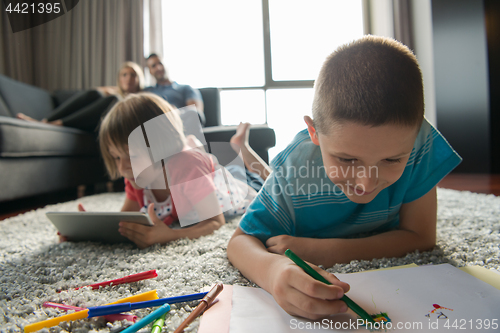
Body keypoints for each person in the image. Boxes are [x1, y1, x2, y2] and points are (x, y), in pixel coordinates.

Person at [226, 36, 462, 320]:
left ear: (415, 136)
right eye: (347, 160)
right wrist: (272, 271)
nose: (366, 184)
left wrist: (323, 251)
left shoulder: (420, 144)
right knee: (255, 179)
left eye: (391, 160)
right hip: (282, 182)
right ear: (314, 133)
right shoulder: (293, 172)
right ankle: (242, 150)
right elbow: (240, 242)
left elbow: (421, 237)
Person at [74, 92, 268, 248]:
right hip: (203, 174)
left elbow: (215, 222)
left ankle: (243, 148)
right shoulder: (135, 175)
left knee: (271, 183)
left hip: (234, 186)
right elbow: (125, 223)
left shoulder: (186, 168)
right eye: (116, 157)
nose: (122, 167)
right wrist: (86, 230)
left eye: (132, 156)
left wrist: (171, 235)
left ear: (161, 147)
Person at [16, 61, 144, 132]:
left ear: (139, 79)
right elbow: (96, 90)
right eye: (124, 75)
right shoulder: (115, 93)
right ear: (119, 79)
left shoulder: (142, 98)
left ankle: (56, 124)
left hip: (112, 125)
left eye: (133, 75)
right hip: (93, 122)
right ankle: (44, 122)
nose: (128, 78)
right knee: (95, 94)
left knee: (115, 100)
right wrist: (114, 89)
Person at [144, 53, 205, 125]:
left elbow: (196, 114)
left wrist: (176, 112)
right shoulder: (147, 92)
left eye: (160, 63)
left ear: (166, 65)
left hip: (180, 124)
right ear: (150, 71)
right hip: (156, 126)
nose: (158, 68)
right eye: (154, 66)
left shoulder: (186, 88)